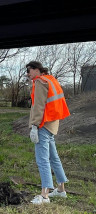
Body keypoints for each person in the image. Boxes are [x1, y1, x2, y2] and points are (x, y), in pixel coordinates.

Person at [26, 61, 70, 205]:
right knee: (53, 157)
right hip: (52, 123)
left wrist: (34, 126)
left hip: (43, 124)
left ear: (36, 70)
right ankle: (61, 189)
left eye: (29, 70)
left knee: (42, 159)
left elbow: (38, 106)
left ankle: (44, 196)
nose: (28, 74)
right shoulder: (51, 80)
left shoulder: (39, 82)